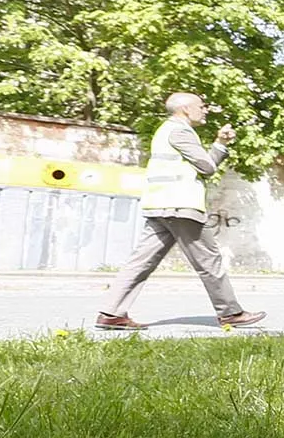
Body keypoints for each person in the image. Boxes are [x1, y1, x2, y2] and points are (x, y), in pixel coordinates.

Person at [96, 92, 265, 331]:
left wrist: (220, 143)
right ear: (185, 109)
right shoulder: (181, 131)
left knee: (141, 262)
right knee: (209, 260)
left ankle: (111, 313)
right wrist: (220, 146)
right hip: (181, 206)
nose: (205, 109)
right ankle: (230, 313)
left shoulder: (164, 130)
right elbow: (207, 167)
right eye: (202, 105)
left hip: (159, 206)